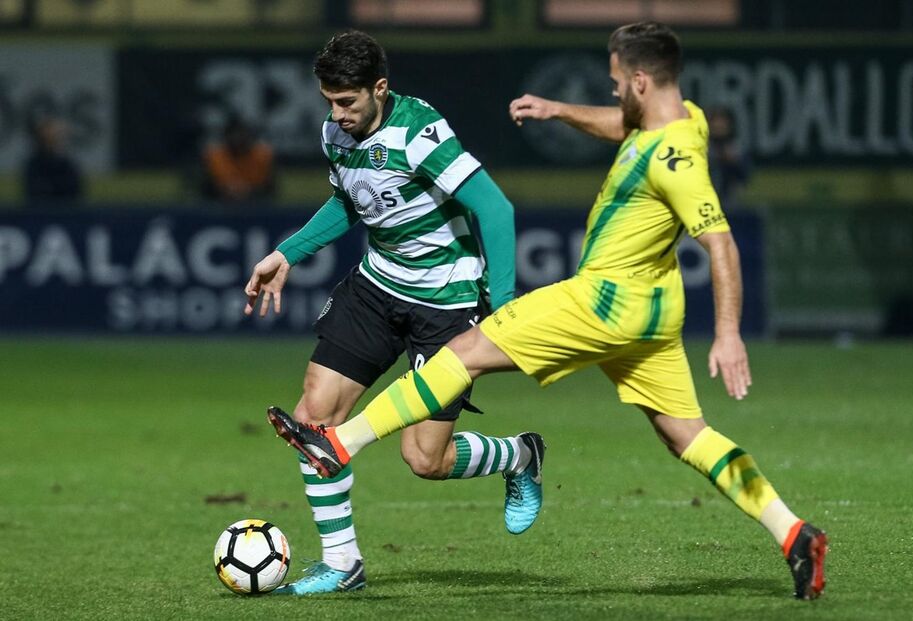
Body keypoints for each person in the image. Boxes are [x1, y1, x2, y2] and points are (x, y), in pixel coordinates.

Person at [267, 22, 829, 601]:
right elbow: (627, 125)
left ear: (639, 80)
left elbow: (721, 242)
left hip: (604, 300)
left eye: (616, 81)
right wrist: (559, 110)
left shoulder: (674, 163)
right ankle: (793, 532)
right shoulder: (686, 120)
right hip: (656, 313)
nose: (612, 91)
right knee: (688, 437)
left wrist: (729, 333)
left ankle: (342, 442)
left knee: (463, 354)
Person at [245, 30, 545, 595]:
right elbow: (350, 203)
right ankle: (342, 564)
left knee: (426, 459)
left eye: (347, 101)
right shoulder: (336, 132)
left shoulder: (419, 133)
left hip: (446, 301)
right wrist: (287, 253)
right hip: (377, 289)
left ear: (379, 88)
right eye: (329, 101)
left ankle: (520, 455)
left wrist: (503, 308)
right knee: (312, 420)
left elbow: (495, 209)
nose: (337, 114)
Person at [202, 116, 276, 202]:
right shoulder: (213, 156)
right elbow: (206, 188)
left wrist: (249, 191)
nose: (237, 139)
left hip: (256, 203)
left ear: (249, 136)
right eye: (233, 134)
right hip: (220, 203)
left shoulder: (263, 155)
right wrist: (225, 190)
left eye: (241, 134)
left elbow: (270, 188)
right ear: (226, 136)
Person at [23, 115, 84, 203]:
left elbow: (75, 191)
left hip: (66, 209)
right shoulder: (34, 165)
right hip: (41, 209)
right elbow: (36, 191)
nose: (52, 139)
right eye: (47, 136)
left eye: (55, 136)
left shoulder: (67, 165)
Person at [706, 107, 750, 207]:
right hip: (704, 196)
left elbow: (744, 177)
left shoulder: (736, 148)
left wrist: (733, 162)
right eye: (715, 121)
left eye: (722, 122)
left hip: (730, 199)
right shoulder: (702, 146)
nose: (718, 125)